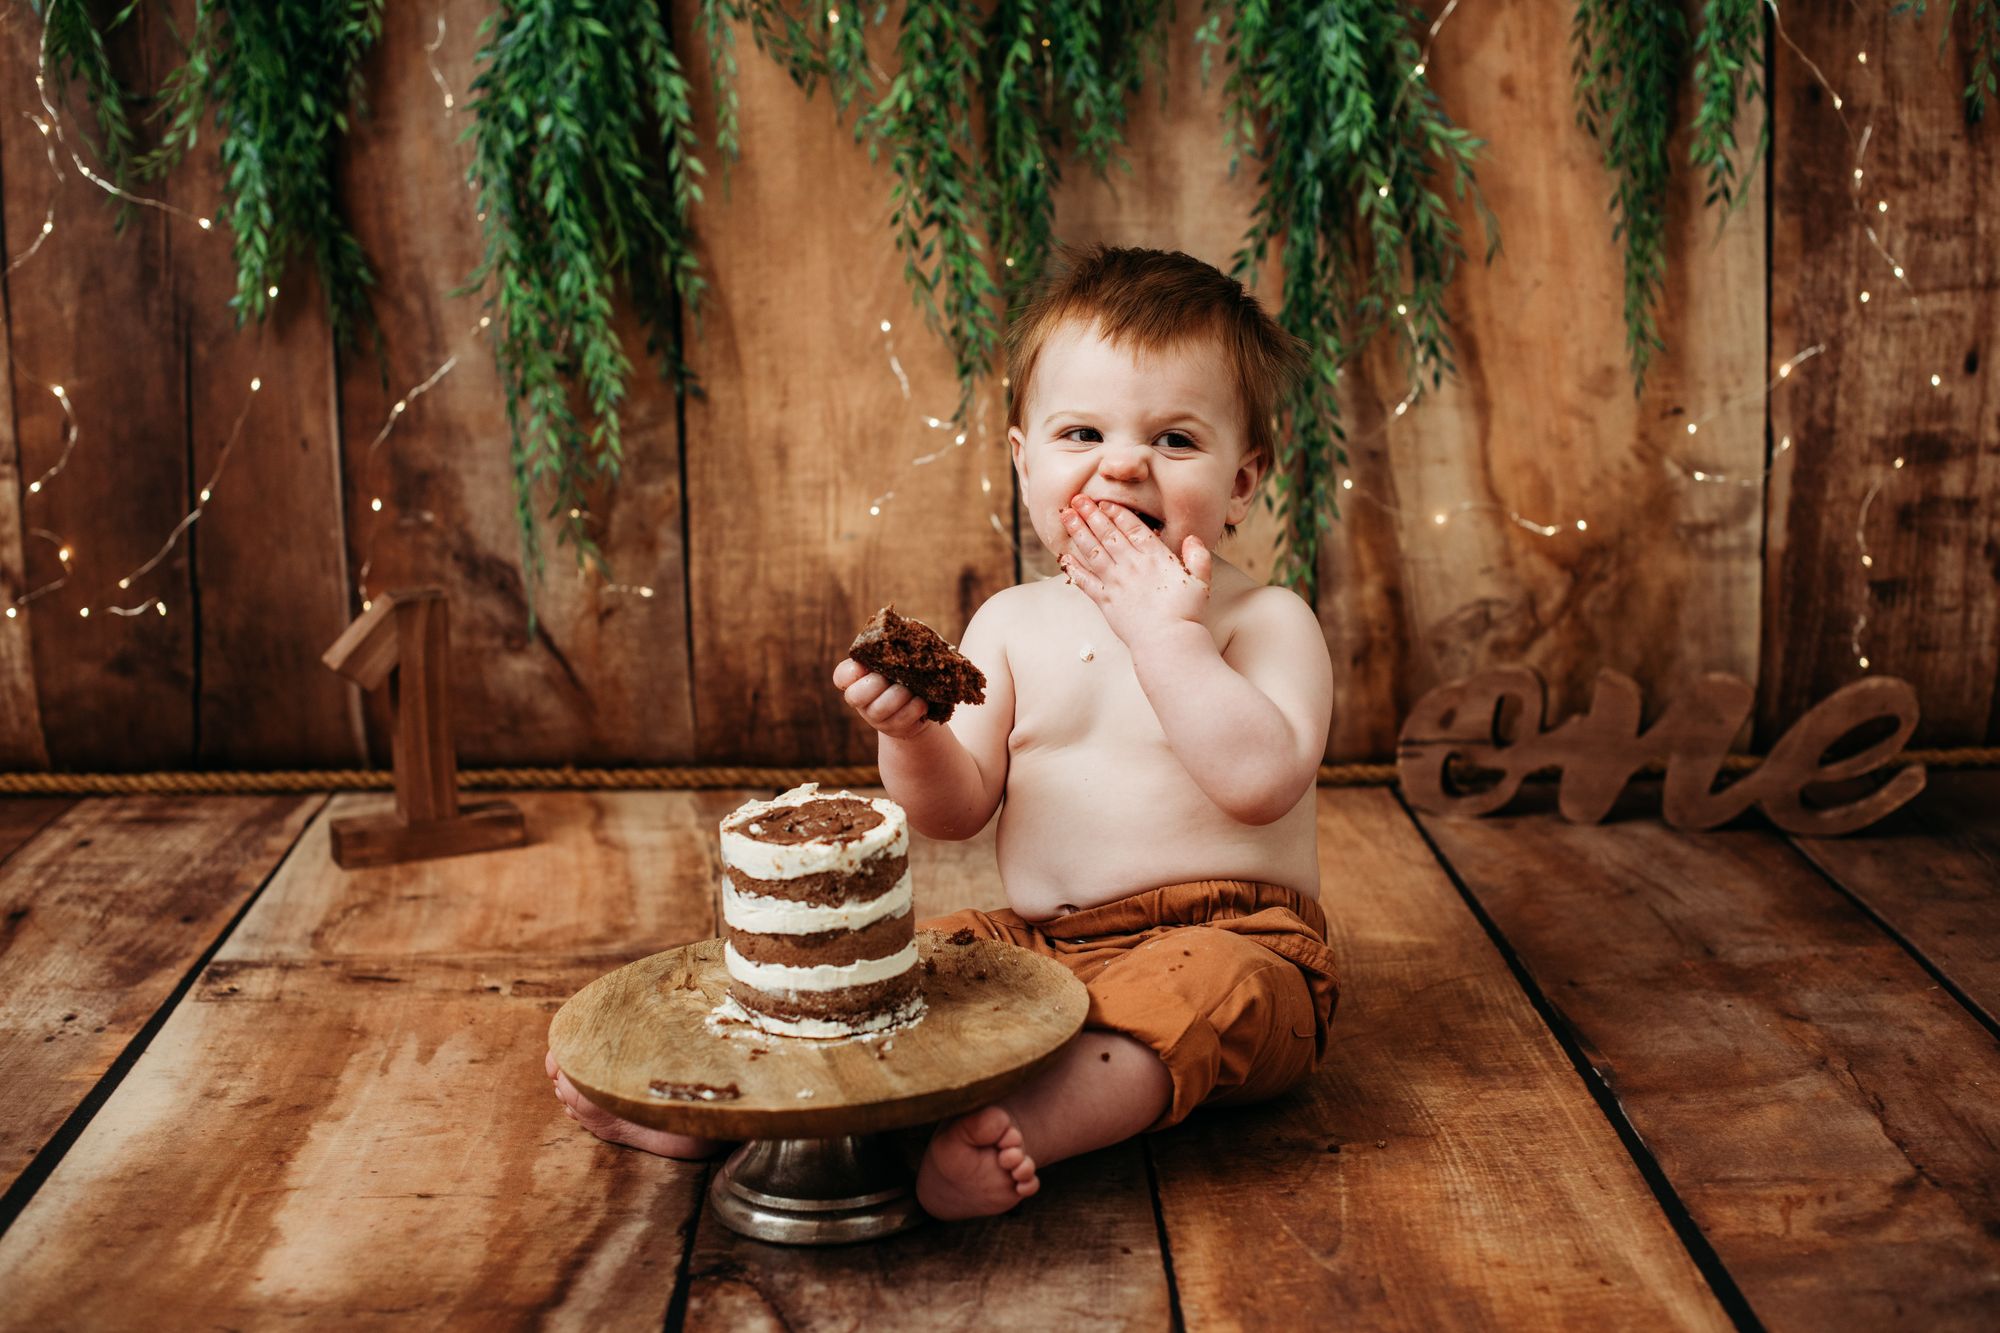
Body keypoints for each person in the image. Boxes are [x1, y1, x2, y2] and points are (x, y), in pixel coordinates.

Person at [549, 244, 1337, 1221]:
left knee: (1197, 991)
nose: (1124, 461)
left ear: (1242, 479)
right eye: (1080, 430)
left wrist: (1164, 637)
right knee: (899, 971)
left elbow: (1260, 780)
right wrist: (914, 739)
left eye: (1174, 440)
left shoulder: (1265, 623)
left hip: (1237, 934)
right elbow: (955, 810)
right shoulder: (1011, 623)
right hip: (1041, 940)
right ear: (1023, 461)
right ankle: (738, 1113)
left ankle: (1023, 1129)